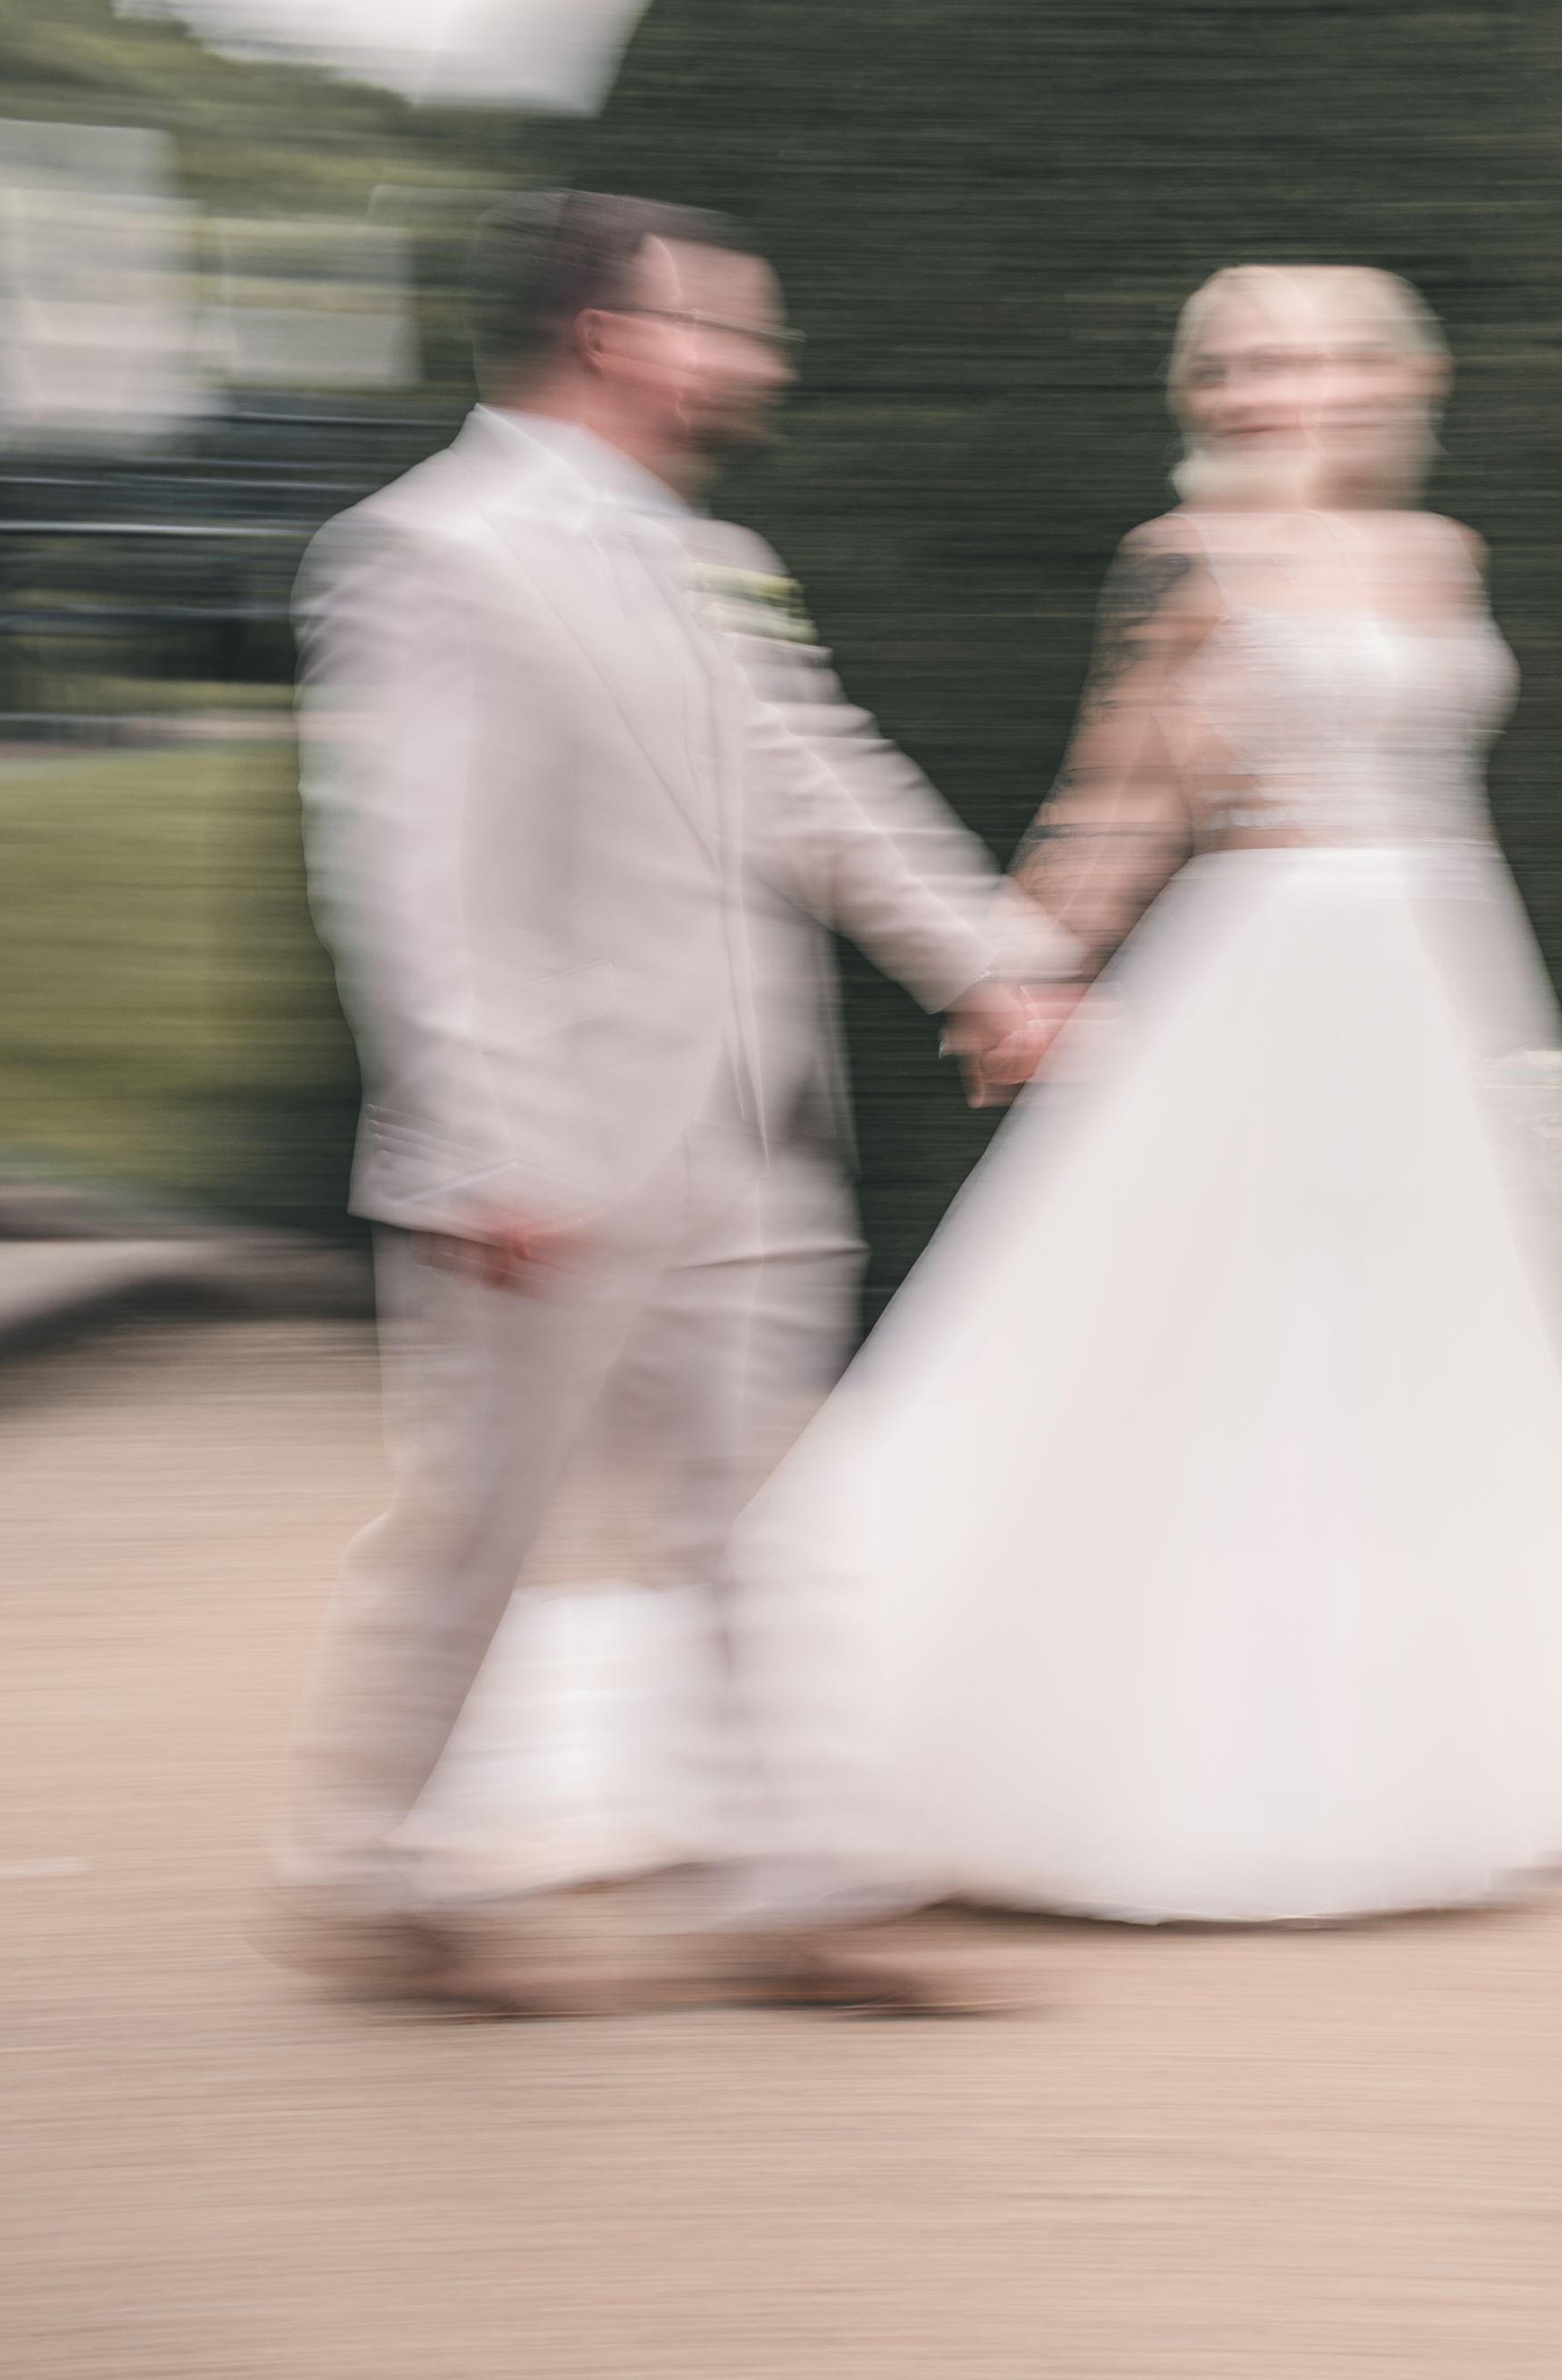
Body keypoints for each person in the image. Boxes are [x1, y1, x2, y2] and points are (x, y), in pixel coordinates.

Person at [754, 264, 1562, 1923]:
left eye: (1331, 361)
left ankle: (1428, 1727)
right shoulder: (1182, 563)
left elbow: (1448, 791)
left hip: (1435, 970)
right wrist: (1022, 969)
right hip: (1267, 970)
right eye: (1251, 367)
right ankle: (1147, 1745)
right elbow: (1120, 790)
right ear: (1205, 396)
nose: (1291, 392)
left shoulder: (1442, 559)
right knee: (1220, 1333)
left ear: (1399, 382)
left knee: (1427, 1348)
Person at [284, 193, 1072, 2017]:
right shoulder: (433, 549)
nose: (762, 358)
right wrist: (484, 1139)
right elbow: (415, 871)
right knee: (479, 1519)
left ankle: (791, 1884)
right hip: (543, 1154)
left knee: (745, 1509)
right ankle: (369, 1867)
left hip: (746, 1131)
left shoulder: (704, 552)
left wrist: (995, 963)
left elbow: (821, 777)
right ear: (617, 335)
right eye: (731, 321)